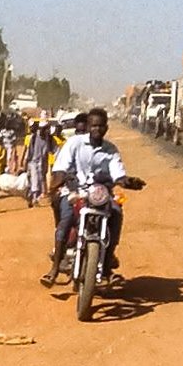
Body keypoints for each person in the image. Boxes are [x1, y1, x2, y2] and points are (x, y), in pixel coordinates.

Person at [41, 109, 145, 286]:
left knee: (117, 212)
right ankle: (55, 269)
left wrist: (127, 182)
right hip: (75, 192)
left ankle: (107, 264)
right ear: (88, 127)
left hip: (100, 193)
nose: (97, 129)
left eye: (101, 125)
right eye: (94, 125)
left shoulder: (111, 150)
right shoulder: (74, 144)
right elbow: (61, 168)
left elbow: (117, 174)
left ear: (106, 127)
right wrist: (60, 181)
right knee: (65, 220)